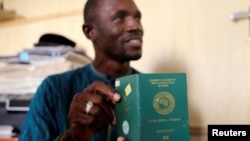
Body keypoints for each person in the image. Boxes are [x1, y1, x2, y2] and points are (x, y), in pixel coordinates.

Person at [19, 0, 143, 140]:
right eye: (120, 18)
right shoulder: (53, 89)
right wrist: (73, 136)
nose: (136, 26)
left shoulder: (150, 90)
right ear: (90, 32)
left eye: (137, 17)